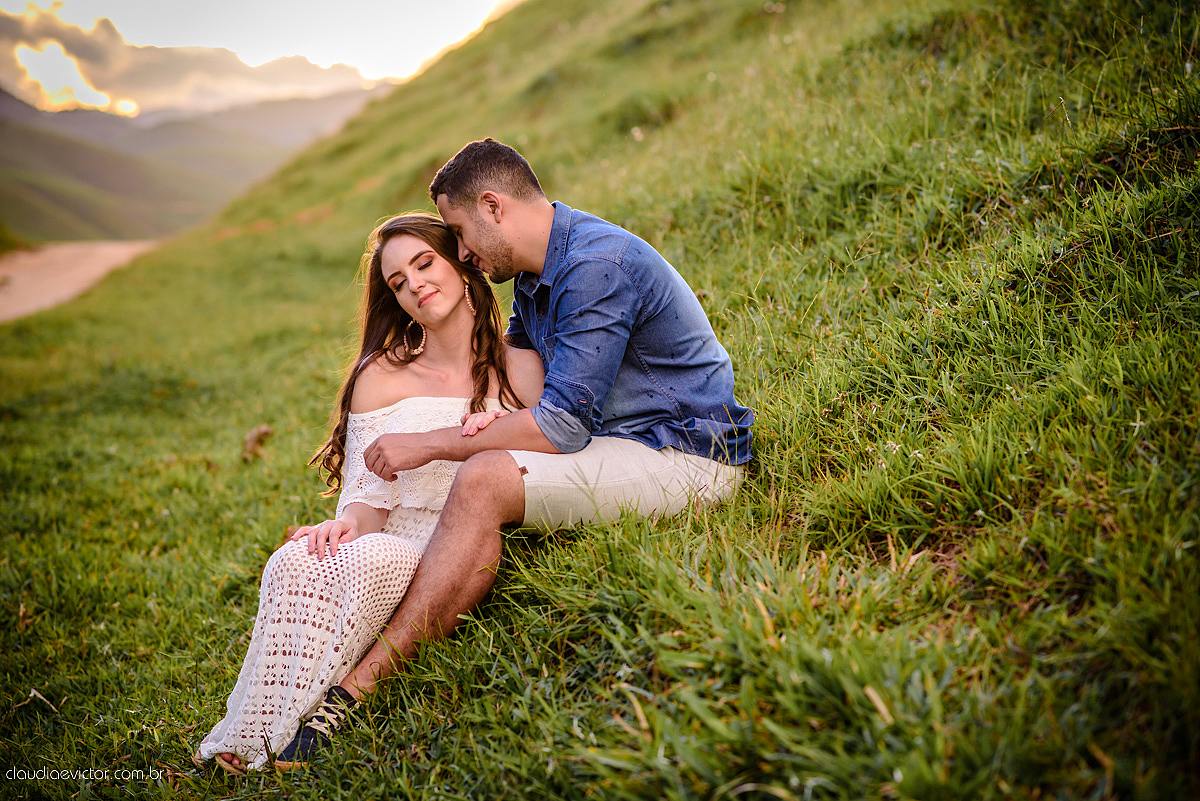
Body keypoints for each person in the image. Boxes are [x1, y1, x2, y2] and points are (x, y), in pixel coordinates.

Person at [269, 138, 754, 766]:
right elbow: (522, 386)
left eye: (459, 233)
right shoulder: (535, 275)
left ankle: (353, 693)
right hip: (623, 445)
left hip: (687, 455)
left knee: (484, 479)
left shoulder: (595, 266)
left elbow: (562, 426)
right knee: (484, 467)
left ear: (494, 206)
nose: (462, 253)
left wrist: (428, 444)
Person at [190, 212, 544, 773]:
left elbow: (550, 450)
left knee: (365, 559)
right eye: (399, 282)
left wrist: (482, 433)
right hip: (392, 538)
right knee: (298, 559)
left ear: (462, 265)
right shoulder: (381, 375)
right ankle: (250, 735)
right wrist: (345, 525)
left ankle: (287, 731)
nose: (415, 285)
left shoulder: (520, 369)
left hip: (459, 539)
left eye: (424, 264)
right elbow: (366, 500)